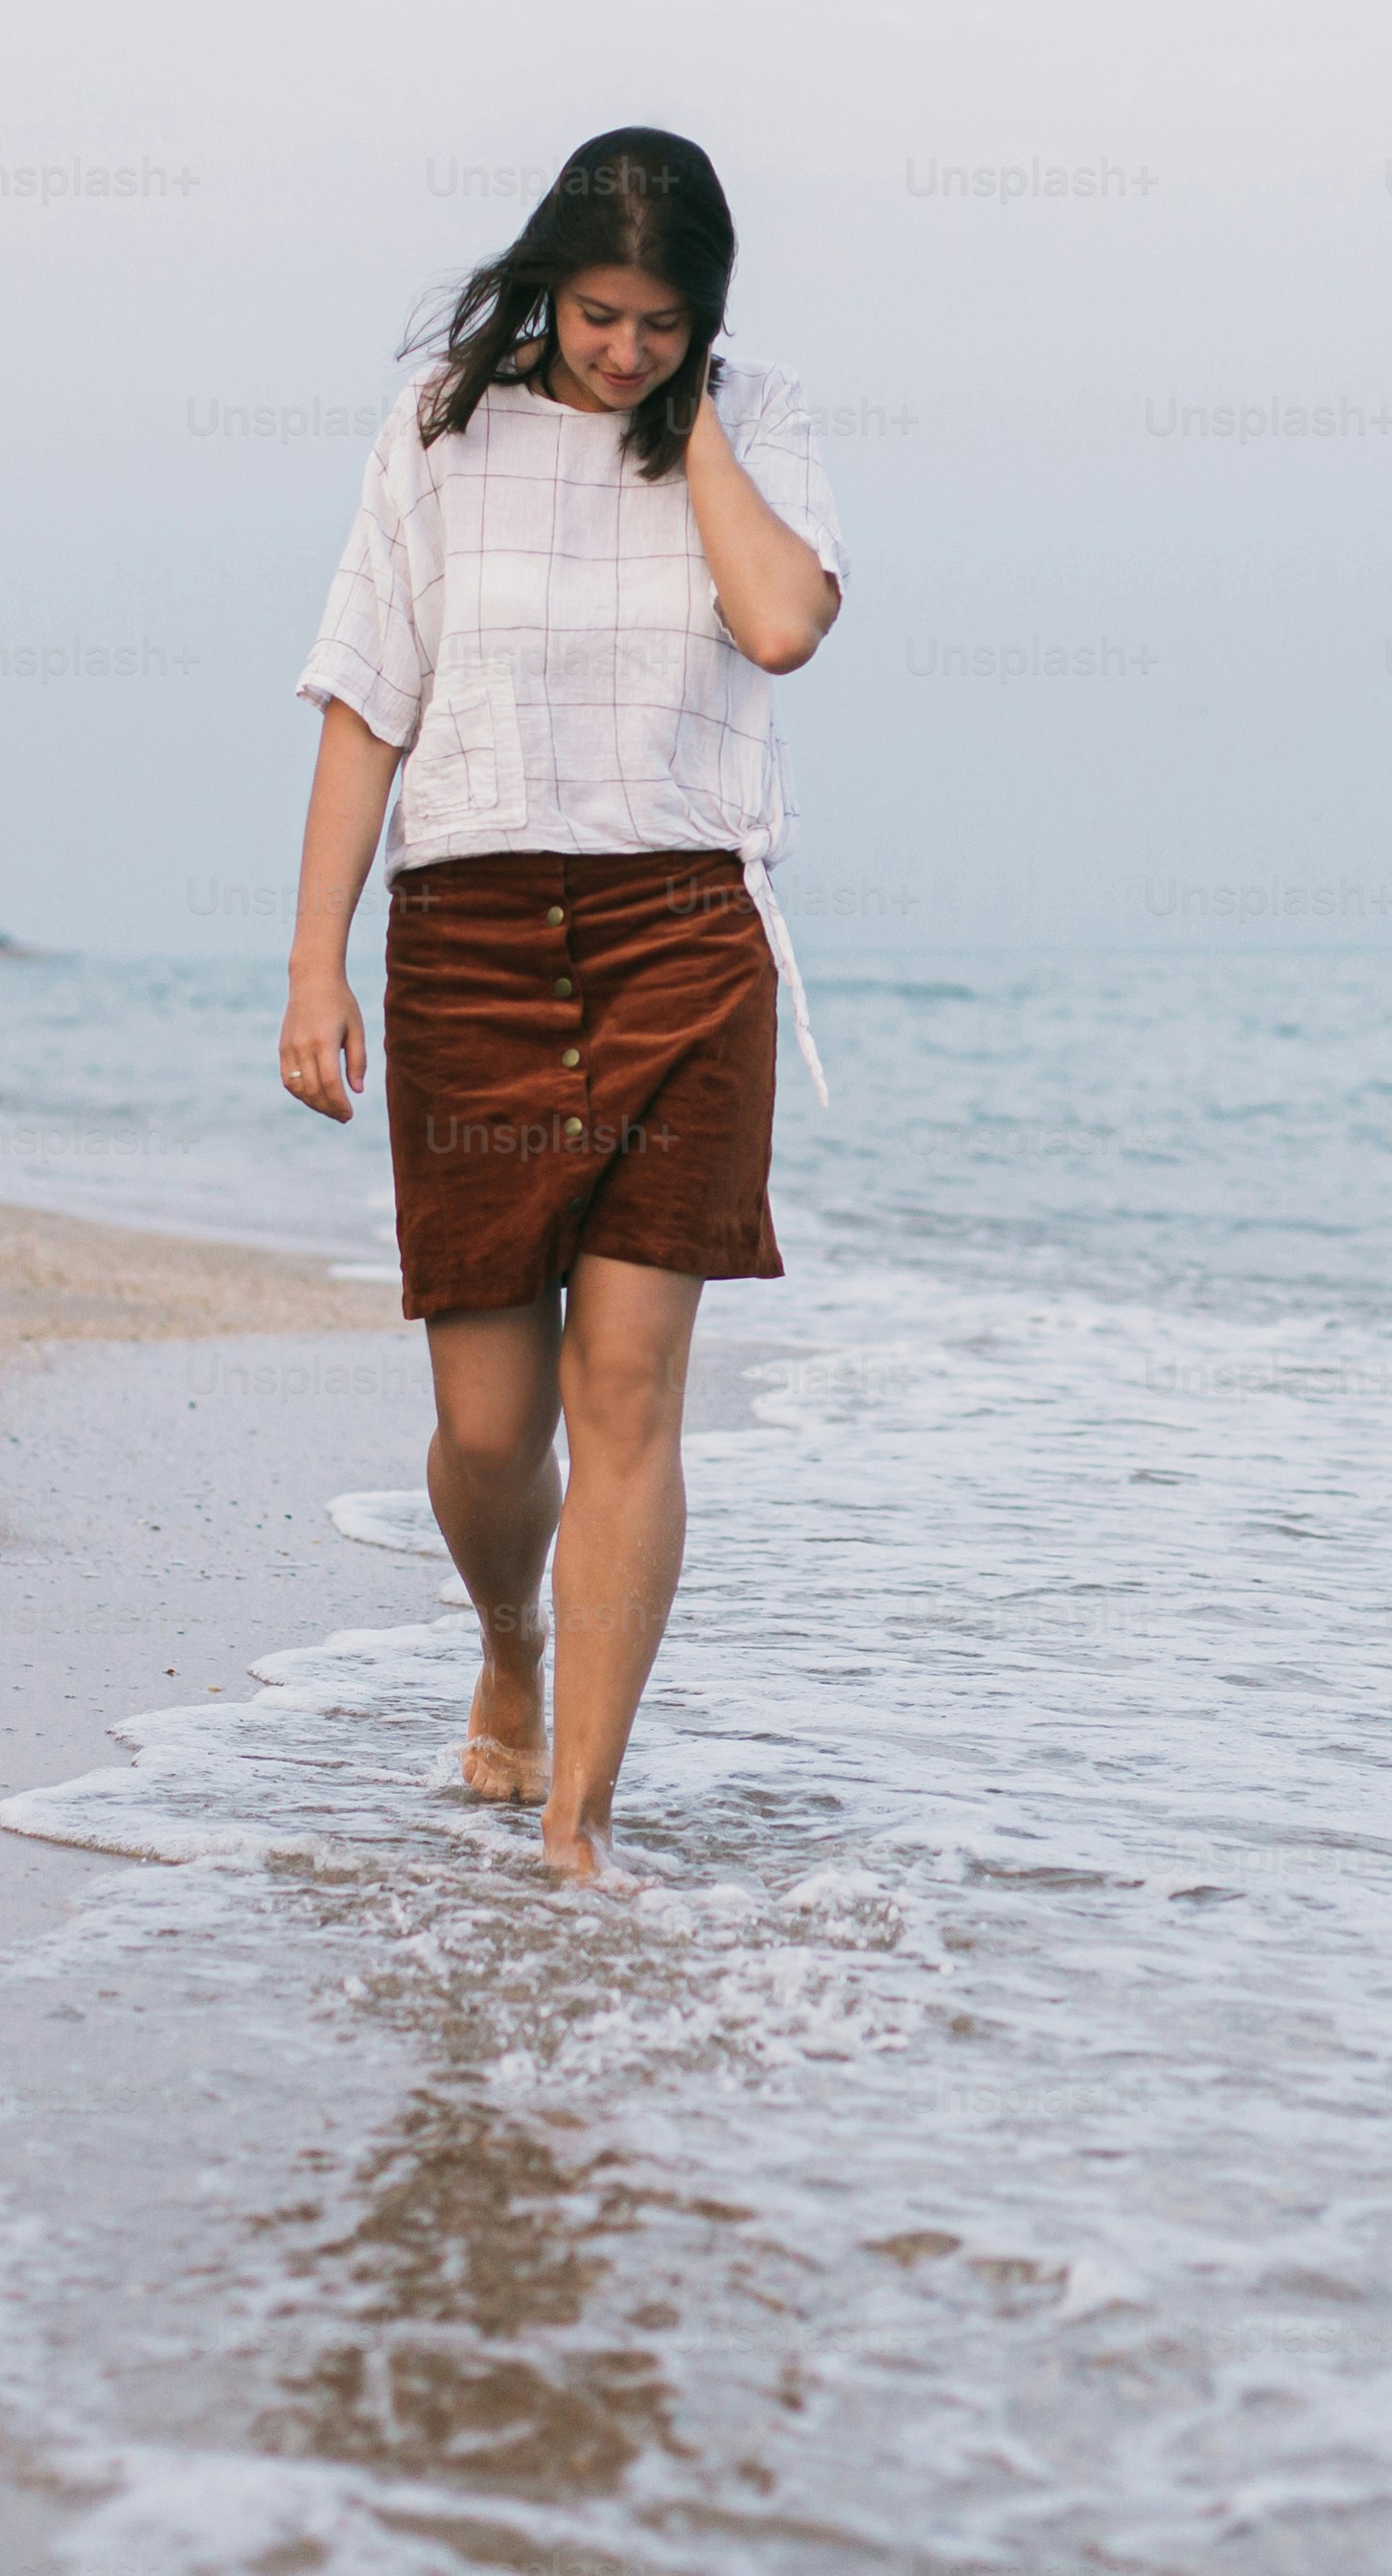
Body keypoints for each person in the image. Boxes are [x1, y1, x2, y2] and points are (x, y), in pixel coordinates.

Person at [277, 126, 846, 1885]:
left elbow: (782, 625)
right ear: (547, 284)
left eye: (664, 324)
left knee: (628, 1395)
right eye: (600, 316)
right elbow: (368, 698)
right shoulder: (440, 427)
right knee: (486, 1427)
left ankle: (577, 1824)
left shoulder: (755, 418)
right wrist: (314, 962)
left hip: (684, 938)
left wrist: (696, 423)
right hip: (474, 936)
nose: (625, 351)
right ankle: (509, 1643)